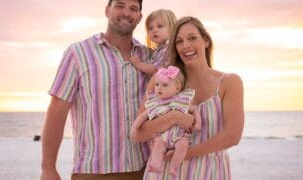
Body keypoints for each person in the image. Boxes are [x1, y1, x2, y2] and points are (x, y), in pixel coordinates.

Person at [40, 0, 153, 180]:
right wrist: (48, 168)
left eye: (133, 9)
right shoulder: (78, 53)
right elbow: (57, 112)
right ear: (107, 11)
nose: (126, 13)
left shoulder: (149, 57)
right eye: (120, 6)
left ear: (139, 17)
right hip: (93, 172)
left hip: (144, 170)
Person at [131, 16, 244, 179]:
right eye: (179, 41)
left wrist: (186, 153)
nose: (186, 46)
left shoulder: (229, 82)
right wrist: (174, 117)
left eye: (192, 38)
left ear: (205, 40)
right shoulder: (161, 80)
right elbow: (139, 134)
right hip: (164, 174)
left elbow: (232, 136)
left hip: (210, 173)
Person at [131, 66, 201, 176]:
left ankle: (174, 166)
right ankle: (156, 165)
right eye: (157, 84)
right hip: (162, 136)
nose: (159, 88)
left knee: (183, 146)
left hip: (179, 135)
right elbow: (143, 116)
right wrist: (135, 127)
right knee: (157, 147)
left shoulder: (181, 100)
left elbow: (194, 111)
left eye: (165, 85)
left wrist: (198, 123)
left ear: (177, 88)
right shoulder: (155, 102)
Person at [129, 9, 177, 75]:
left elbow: (155, 69)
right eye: (150, 28)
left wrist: (138, 64)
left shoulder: (167, 49)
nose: (154, 30)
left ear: (172, 27)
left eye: (159, 26)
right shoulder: (160, 49)